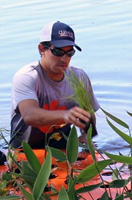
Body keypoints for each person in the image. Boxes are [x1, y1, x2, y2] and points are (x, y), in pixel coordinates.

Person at [10, 21, 99, 149]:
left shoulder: (79, 77)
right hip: (26, 151)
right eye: (58, 51)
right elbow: (30, 115)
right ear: (42, 49)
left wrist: (86, 136)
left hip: (63, 149)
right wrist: (66, 115)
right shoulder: (26, 77)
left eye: (70, 53)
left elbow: (88, 113)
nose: (64, 58)